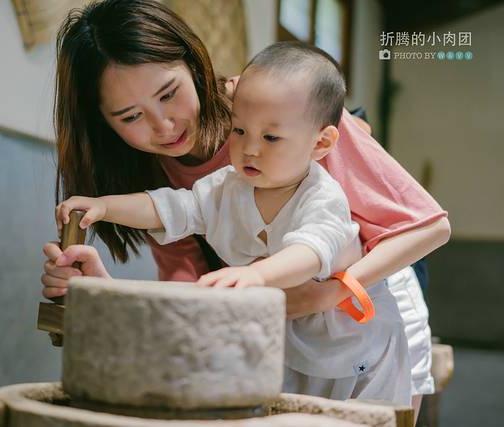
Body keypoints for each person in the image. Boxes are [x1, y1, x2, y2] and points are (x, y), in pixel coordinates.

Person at [41, 0, 450, 418]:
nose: (164, 125)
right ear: (104, 123)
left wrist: (328, 292)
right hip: (282, 318)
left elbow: (423, 228)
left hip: (365, 301)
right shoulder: (214, 184)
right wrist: (101, 290)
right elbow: (192, 289)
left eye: (169, 94)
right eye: (131, 116)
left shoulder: (280, 103)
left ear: (192, 64)